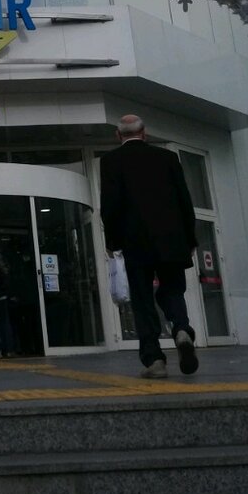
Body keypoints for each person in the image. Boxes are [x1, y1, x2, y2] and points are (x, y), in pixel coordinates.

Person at [99, 114, 199, 378]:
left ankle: (154, 360)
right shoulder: (167, 158)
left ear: (118, 136)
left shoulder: (110, 162)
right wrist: (190, 239)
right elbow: (185, 201)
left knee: (143, 300)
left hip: (135, 242)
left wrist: (112, 241)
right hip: (171, 240)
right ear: (144, 133)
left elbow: (110, 206)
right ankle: (181, 329)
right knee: (173, 290)